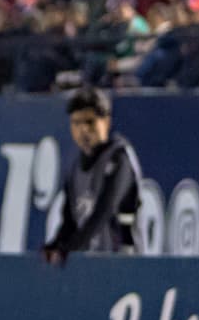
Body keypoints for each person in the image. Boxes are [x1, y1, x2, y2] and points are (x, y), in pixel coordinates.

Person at [43, 88, 141, 265]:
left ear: (106, 121)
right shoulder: (75, 168)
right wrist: (56, 244)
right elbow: (70, 222)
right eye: (76, 123)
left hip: (124, 265)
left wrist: (69, 249)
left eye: (90, 122)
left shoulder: (119, 159)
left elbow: (104, 210)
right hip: (93, 266)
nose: (84, 130)